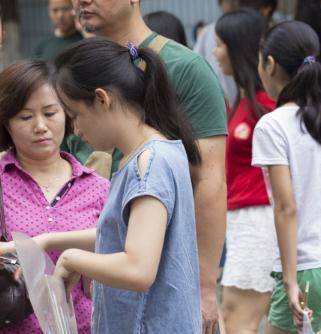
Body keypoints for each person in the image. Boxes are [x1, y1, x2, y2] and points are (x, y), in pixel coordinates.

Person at [71, 1, 227, 331]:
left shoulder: (186, 71)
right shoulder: (78, 72)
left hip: (155, 299)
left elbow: (210, 181)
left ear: (103, 99)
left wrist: (204, 288)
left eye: (76, 116)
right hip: (109, 284)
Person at [0, 59, 110, 333]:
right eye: (25, 117)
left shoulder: (97, 186)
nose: (40, 126)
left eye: (50, 113)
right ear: (5, 122)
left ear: (67, 114)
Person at [48, 37, 202, 333]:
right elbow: (119, 234)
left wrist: (72, 259)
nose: (76, 130)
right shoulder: (153, 153)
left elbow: (138, 268)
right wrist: (50, 241)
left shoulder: (149, 164)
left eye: (75, 115)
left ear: (102, 99)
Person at [213, 8, 278, 334]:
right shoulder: (242, 101)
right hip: (242, 218)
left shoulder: (266, 104)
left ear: (237, 47)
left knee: (241, 319)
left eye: (220, 44)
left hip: (258, 218)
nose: (214, 51)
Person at [254, 20, 321, 334]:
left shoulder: (273, 125)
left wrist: (290, 279)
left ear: (270, 64)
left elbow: (286, 207)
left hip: (305, 267)